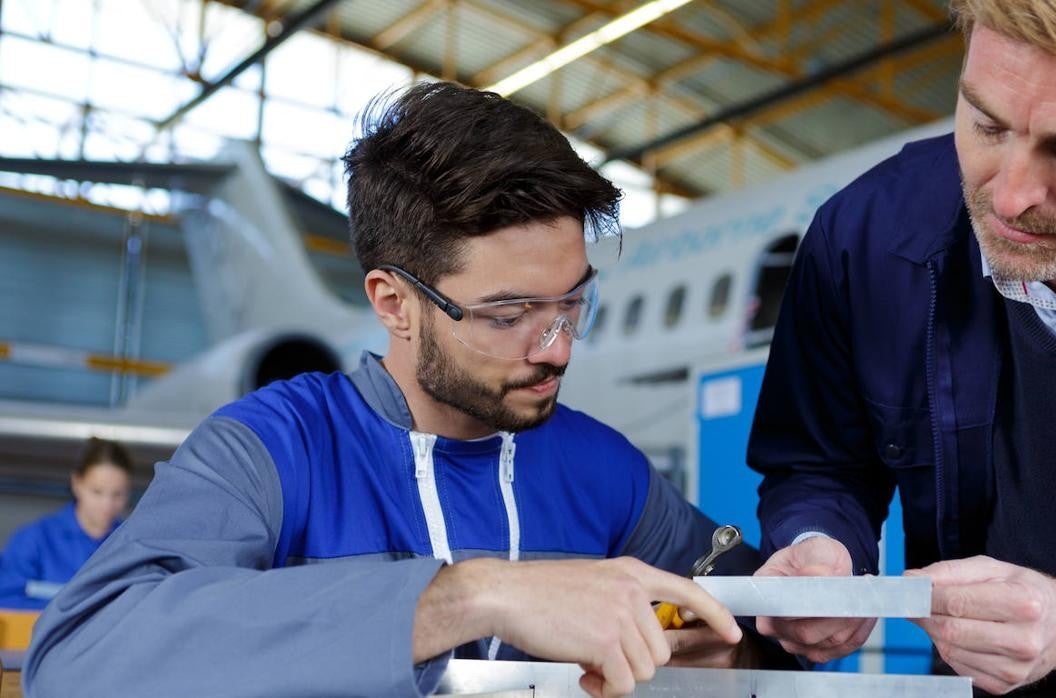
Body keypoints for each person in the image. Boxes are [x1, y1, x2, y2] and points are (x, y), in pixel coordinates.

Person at [23, 82, 765, 698]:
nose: (559, 348)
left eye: (573, 304)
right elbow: (77, 659)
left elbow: (755, 623)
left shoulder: (603, 469)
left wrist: (767, 626)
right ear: (392, 302)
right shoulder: (274, 451)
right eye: (508, 315)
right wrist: (466, 598)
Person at [747, 1, 1056, 695]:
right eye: (985, 123)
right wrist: (819, 547)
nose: (1009, 198)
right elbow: (821, 463)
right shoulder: (863, 238)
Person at [0, 437, 132, 610]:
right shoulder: (34, 540)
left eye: (117, 494)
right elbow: (5, 601)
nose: (107, 505)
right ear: (76, 483)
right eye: (97, 492)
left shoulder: (132, 546)